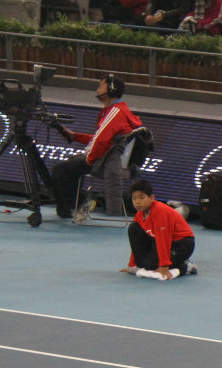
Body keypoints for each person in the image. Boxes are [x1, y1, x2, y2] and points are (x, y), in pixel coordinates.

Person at [51, 75, 143, 220]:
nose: (97, 89)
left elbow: (101, 142)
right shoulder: (117, 110)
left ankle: (74, 207)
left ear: (111, 90)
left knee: (60, 170)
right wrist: (75, 136)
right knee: (70, 166)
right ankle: (75, 206)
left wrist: (88, 158)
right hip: (109, 160)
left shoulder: (115, 112)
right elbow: (100, 139)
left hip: (105, 163)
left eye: (101, 86)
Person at [121, 179, 198, 280]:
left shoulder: (160, 211)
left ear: (152, 198)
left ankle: (185, 266)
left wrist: (164, 266)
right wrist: (132, 265)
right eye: (134, 198)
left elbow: (163, 239)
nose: (137, 202)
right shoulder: (139, 215)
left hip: (182, 244)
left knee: (151, 265)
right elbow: (137, 242)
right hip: (161, 241)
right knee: (133, 229)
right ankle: (173, 262)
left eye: (141, 198)